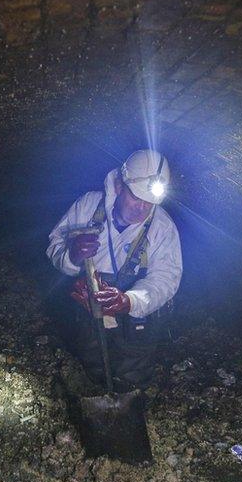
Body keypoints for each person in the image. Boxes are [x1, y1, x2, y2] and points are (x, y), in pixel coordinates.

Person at [47, 149, 182, 391]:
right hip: (89, 311)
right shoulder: (88, 206)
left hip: (137, 323)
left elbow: (166, 278)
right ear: (119, 185)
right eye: (136, 197)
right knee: (91, 361)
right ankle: (97, 396)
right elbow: (55, 246)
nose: (142, 208)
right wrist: (72, 256)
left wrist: (130, 300)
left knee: (134, 371)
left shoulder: (162, 227)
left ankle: (129, 403)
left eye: (150, 203)